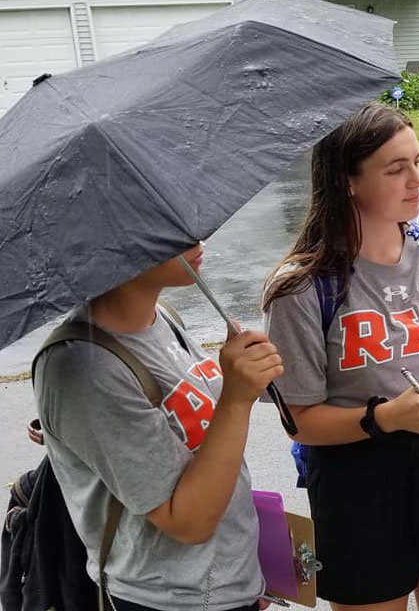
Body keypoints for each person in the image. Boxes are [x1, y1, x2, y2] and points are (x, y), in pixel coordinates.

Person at [261, 102, 419, 611]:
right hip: (358, 486)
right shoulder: (302, 288)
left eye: (416, 161)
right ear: (348, 181)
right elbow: (300, 422)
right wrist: (386, 418)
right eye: (396, 169)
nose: (418, 179)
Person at [32, 243, 283, 610]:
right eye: (168, 232)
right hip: (171, 599)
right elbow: (189, 523)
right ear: (115, 242)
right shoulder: (84, 369)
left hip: (229, 586)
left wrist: (251, 577)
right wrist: (236, 398)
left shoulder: (163, 318)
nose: (196, 241)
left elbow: (206, 450)